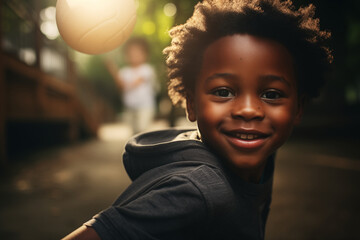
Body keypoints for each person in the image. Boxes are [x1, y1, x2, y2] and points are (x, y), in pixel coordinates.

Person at [63, 0, 332, 239]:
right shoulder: (199, 192)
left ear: (299, 107)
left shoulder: (261, 155)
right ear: (191, 104)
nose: (249, 110)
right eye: (223, 92)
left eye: (271, 94)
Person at [105, 37, 158, 134]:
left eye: (137, 53)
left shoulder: (147, 69)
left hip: (145, 106)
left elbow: (133, 84)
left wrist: (121, 80)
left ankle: (144, 147)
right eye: (131, 54)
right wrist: (112, 69)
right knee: (134, 132)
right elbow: (120, 86)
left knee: (142, 129)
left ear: (145, 55)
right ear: (126, 56)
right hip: (130, 107)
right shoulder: (124, 72)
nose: (134, 56)